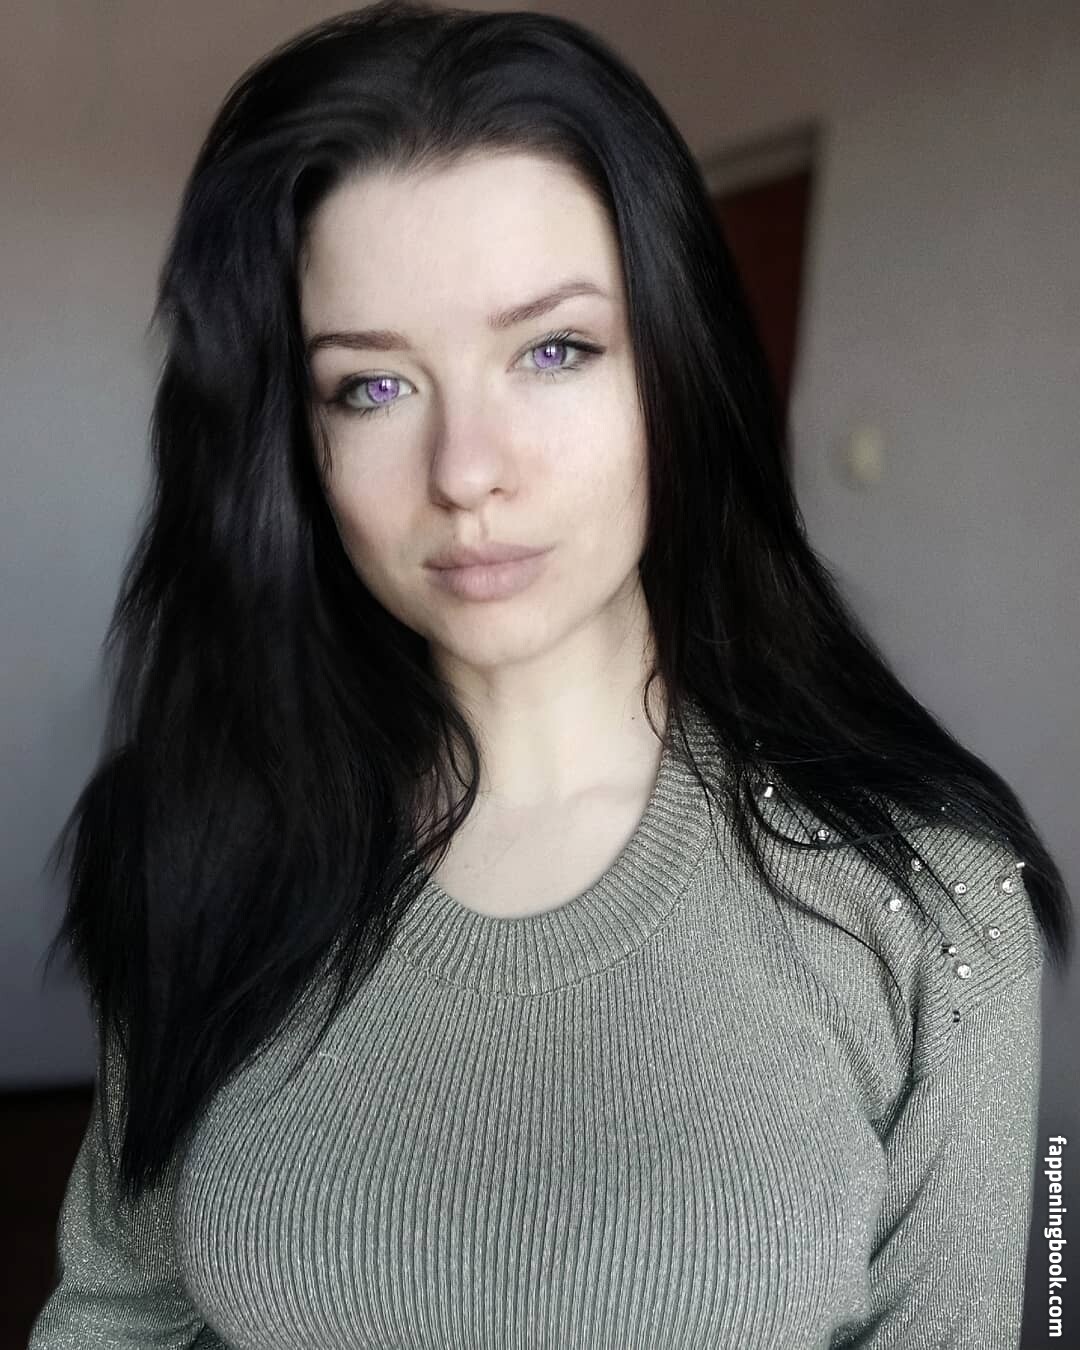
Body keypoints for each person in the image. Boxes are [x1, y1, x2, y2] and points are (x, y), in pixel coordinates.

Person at [30, 3, 1072, 1347]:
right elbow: (116, 1310)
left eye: (554, 350)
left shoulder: (930, 900)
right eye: (371, 387)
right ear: (295, 446)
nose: (468, 470)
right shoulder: (200, 837)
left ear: (675, 373)